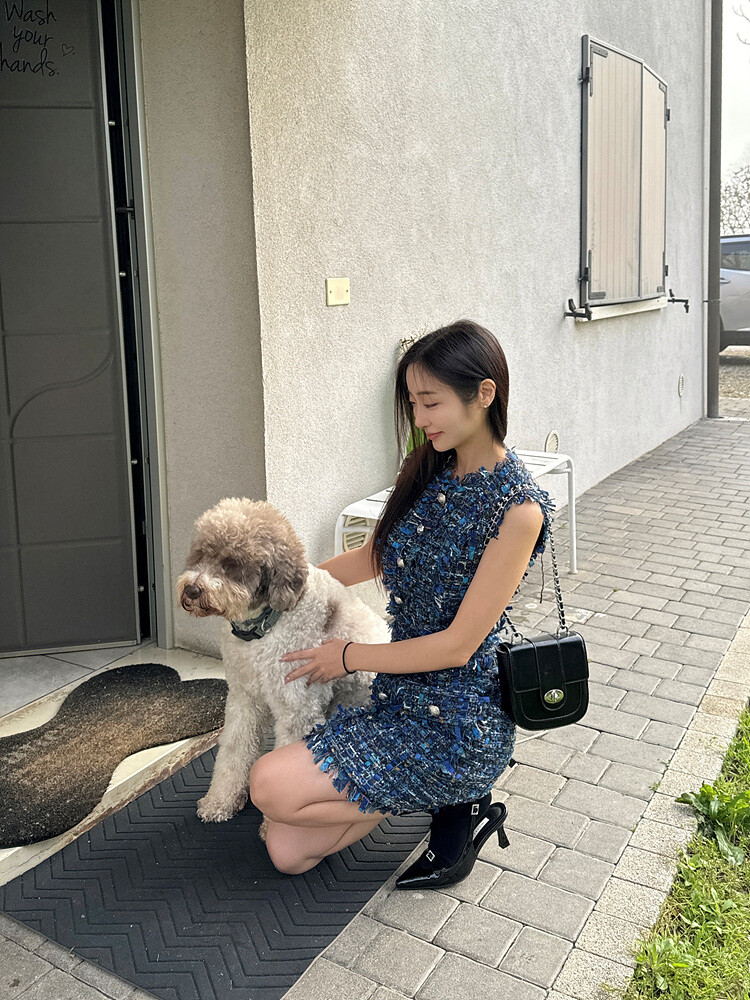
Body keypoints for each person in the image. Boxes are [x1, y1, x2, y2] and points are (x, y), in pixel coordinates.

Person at [247, 319, 555, 887]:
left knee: (268, 785)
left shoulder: (518, 510)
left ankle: (459, 793)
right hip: (396, 698)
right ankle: (422, 795)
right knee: (287, 851)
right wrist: (286, 586)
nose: (419, 419)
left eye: (431, 402)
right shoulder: (427, 467)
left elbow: (458, 646)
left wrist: (347, 657)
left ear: (484, 394)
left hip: (457, 720)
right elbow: (374, 557)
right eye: (413, 403)